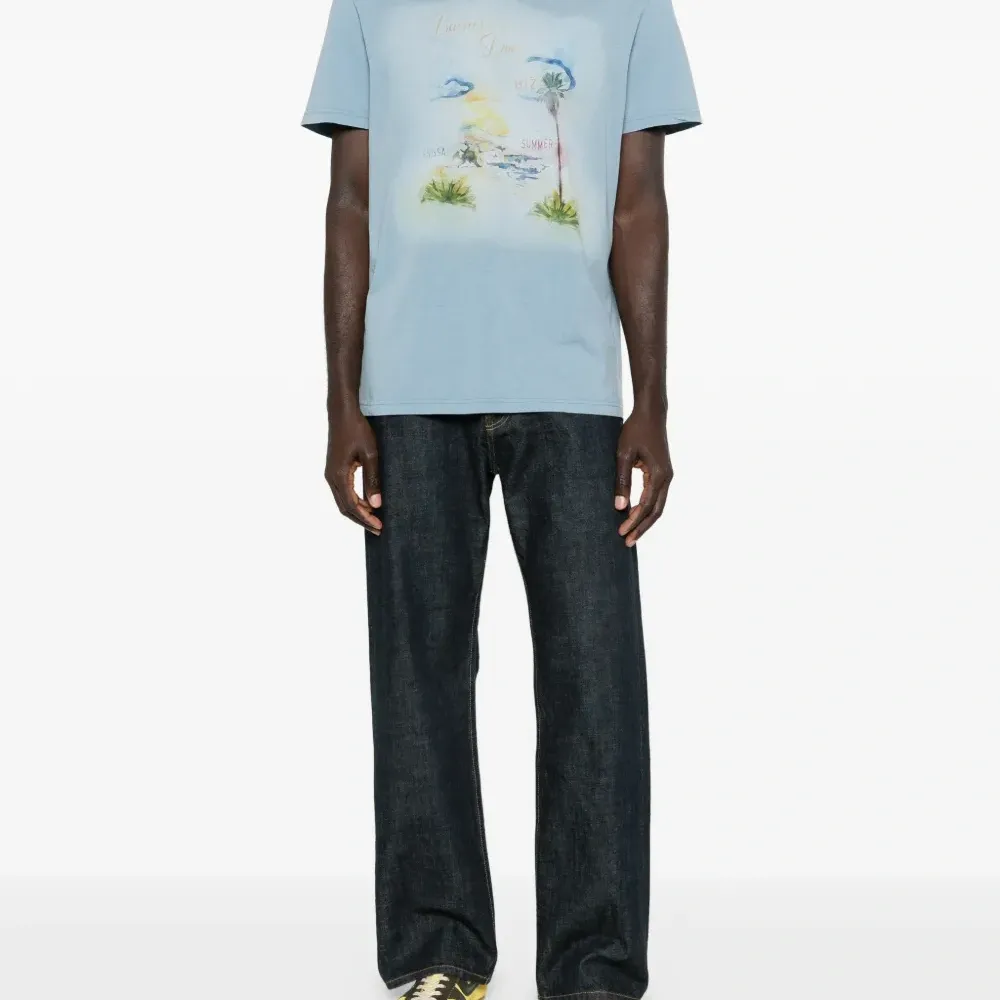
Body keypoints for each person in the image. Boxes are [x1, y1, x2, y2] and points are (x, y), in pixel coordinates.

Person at [302, 2, 700, 999]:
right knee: (418, 679)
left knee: (594, 678)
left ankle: (592, 970)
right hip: (407, 391)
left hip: (571, 392)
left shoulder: (631, 7)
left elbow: (638, 204)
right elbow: (350, 199)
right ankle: (439, 955)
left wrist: (650, 401)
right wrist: (343, 401)